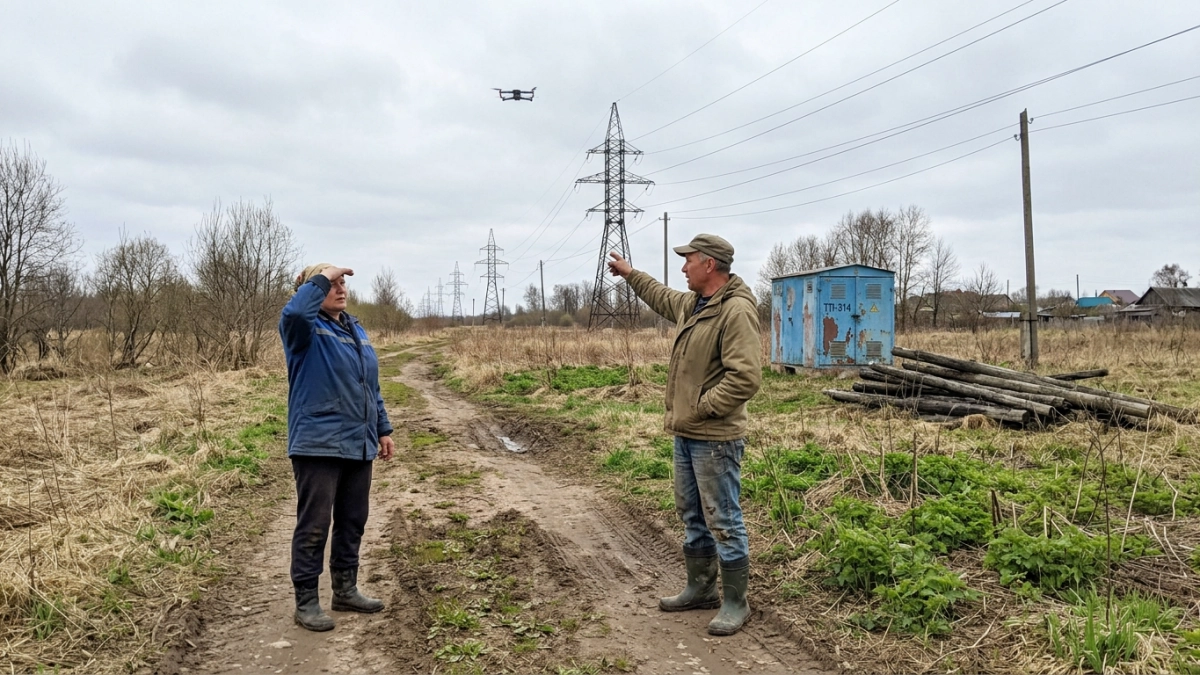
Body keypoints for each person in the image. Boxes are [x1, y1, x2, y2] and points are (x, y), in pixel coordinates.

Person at [607, 234, 761, 636]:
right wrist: (630, 274)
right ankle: (701, 588)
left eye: (688, 260)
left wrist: (702, 407)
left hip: (715, 435)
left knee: (723, 519)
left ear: (709, 264)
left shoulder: (736, 310)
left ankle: (736, 602)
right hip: (687, 433)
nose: (682, 267)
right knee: (692, 514)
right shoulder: (694, 304)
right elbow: (660, 296)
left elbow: (745, 377)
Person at [279, 263, 395, 632]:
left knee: (353, 519)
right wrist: (320, 277)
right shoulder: (303, 329)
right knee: (314, 525)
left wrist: (382, 428)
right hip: (318, 443)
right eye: (332, 284)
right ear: (312, 289)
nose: (340, 289)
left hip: (358, 441)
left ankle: (345, 590)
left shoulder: (354, 328)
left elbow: (369, 385)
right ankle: (306, 602)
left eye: (342, 283)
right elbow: (296, 312)